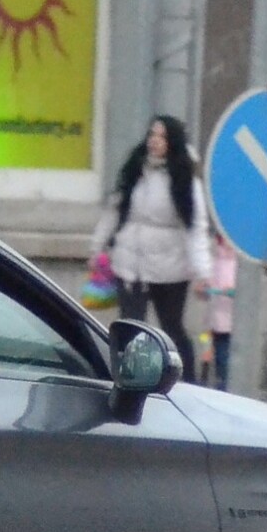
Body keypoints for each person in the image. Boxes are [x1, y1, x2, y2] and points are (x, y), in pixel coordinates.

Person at [89, 116, 212, 377]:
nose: (155, 141)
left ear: (172, 142)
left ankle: (187, 382)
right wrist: (97, 246)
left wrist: (203, 272)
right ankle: (127, 380)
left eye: (162, 137)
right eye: (152, 135)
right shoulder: (135, 169)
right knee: (130, 328)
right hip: (129, 264)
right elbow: (114, 210)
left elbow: (195, 227)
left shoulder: (184, 177)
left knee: (172, 328)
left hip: (170, 268)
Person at [204, 230, 239, 390]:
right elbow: (207, 283)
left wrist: (233, 290)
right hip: (216, 319)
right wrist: (204, 287)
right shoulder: (215, 260)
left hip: (234, 319)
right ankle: (220, 383)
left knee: (228, 356)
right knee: (218, 355)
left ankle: (227, 384)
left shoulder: (240, 263)